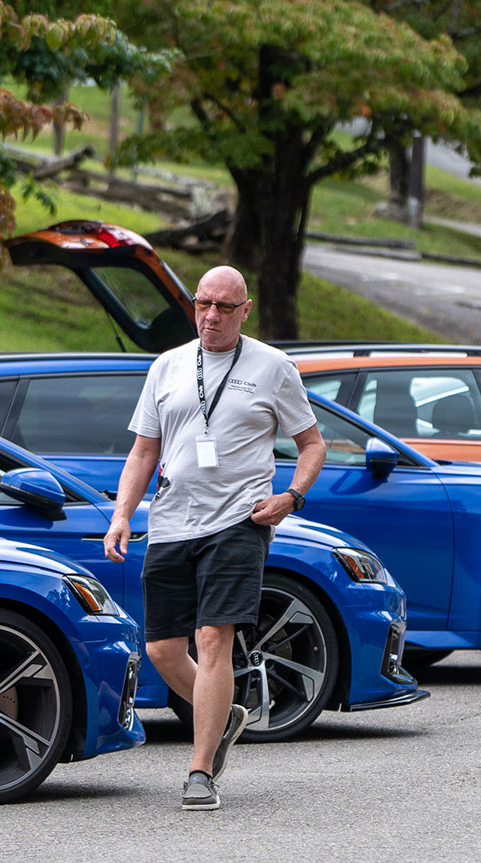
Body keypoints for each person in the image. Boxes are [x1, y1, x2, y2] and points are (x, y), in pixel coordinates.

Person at [104, 265, 326, 810]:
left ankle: (200, 771)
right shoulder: (167, 365)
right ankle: (223, 714)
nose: (211, 316)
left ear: (244, 311)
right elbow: (144, 451)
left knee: (212, 638)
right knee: (161, 649)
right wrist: (121, 514)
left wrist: (291, 497)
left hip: (239, 522)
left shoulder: (273, 367)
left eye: (224, 307)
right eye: (203, 303)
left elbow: (313, 444)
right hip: (172, 521)